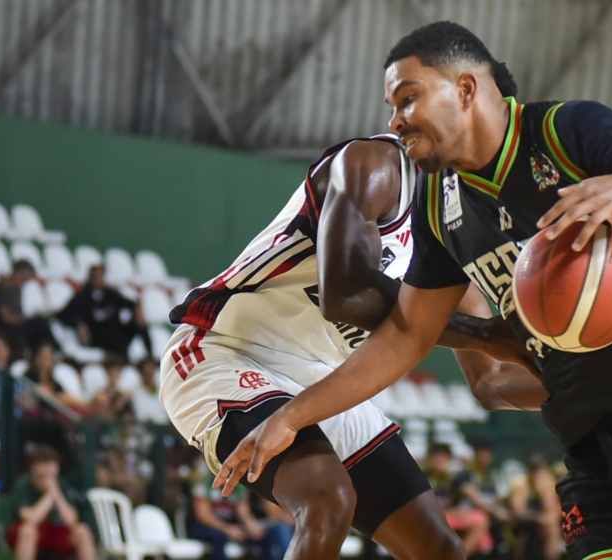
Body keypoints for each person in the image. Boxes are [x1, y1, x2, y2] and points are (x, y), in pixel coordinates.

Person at [216, 22, 612, 560]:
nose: (394, 122)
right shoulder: (440, 205)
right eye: (390, 106)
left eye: (407, 98)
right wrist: (290, 418)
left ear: (465, 89)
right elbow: (405, 337)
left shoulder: (566, 130)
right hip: (589, 425)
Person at [159, 127, 545, 560]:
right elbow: (346, 297)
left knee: (439, 549)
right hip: (225, 349)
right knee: (327, 500)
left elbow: (492, 381)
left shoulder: (455, 240)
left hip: (318, 376)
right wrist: (488, 335)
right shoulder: (378, 167)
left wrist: (584, 385)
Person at [6, 445, 97, 560]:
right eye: (42, 464)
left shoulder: (62, 485)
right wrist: (49, 496)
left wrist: (56, 494)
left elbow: (72, 520)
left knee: (82, 531)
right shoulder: (23, 485)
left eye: (50, 464)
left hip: (56, 532)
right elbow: (31, 518)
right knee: (28, 530)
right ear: (33, 467)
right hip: (29, 533)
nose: (46, 469)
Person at [57, 265, 151, 359]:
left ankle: (150, 356)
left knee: (140, 324)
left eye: (101, 276)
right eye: (96, 276)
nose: (98, 280)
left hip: (117, 333)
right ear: (90, 278)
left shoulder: (111, 294)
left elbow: (128, 303)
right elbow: (63, 315)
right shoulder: (82, 297)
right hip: (98, 337)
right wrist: (79, 323)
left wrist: (136, 308)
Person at [189, 461, 274, 560]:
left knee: (264, 536)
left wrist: (251, 526)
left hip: (230, 524)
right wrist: (227, 529)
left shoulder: (238, 476)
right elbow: (203, 515)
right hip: (205, 526)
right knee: (219, 537)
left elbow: (242, 510)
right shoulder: (203, 476)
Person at [425, 442, 492, 556]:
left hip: (453, 515)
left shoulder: (457, 477)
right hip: (433, 516)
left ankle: (460, 556)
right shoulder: (424, 477)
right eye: (436, 457)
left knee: (481, 520)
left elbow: (470, 497)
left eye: (443, 458)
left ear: (449, 459)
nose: (439, 461)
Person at [453, 438, 511, 556]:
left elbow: (499, 498)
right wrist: (497, 512)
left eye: (487, 454)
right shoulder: (465, 474)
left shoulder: (492, 476)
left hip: (488, 516)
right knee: (484, 520)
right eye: (481, 453)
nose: (484, 457)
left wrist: (503, 511)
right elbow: (475, 498)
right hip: (465, 515)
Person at [0, 261, 54, 361]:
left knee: (42, 324)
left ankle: (47, 353)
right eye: (24, 278)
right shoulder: (0, 289)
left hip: (16, 326)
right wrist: (24, 320)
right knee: (39, 323)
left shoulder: (17, 290)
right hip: (5, 328)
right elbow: (6, 316)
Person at [508, 455, 560, 560]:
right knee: (524, 532)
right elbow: (519, 512)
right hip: (524, 520)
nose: (540, 476)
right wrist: (540, 519)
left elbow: (553, 513)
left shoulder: (549, 485)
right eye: (537, 472)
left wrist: (543, 493)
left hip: (542, 521)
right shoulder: (521, 484)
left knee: (552, 528)